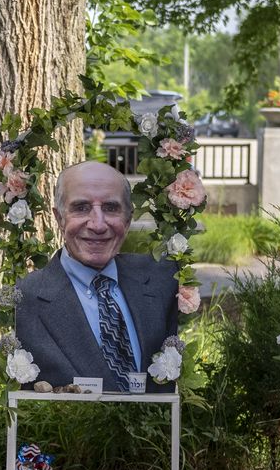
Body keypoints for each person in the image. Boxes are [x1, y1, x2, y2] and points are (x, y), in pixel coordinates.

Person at [13, 161, 180, 391]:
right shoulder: (24, 299)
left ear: (128, 218)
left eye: (111, 208)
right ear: (59, 218)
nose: (98, 224)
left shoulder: (164, 280)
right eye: (81, 208)